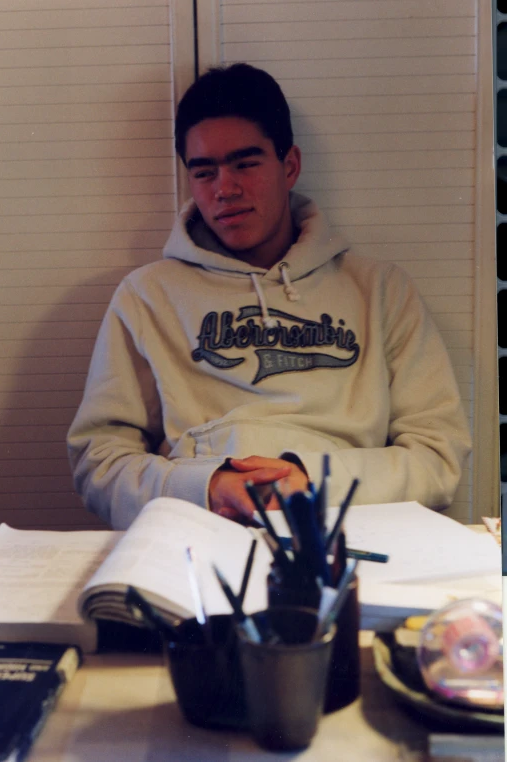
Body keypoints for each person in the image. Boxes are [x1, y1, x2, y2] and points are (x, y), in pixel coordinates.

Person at [67, 63, 471, 530]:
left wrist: (312, 481)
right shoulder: (147, 296)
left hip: (344, 528)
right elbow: (98, 460)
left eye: (245, 163)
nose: (226, 189)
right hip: (197, 530)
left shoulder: (380, 290)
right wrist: (205, 487)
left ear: (290, 165)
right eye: (205, 171)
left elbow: (437, 456)